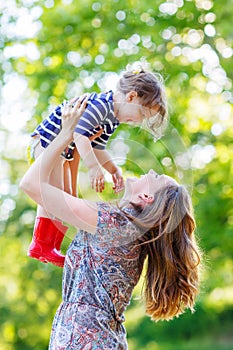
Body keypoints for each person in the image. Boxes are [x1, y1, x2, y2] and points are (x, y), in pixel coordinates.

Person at [20, 97, 202, 349]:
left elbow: (30, 185)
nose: (149, 172)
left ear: (146, 198)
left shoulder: (113, 224)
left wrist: (63, 135)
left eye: (156, 176)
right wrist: (74, 146)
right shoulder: (124, 230)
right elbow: (67, 201)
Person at [27, 67, 168, 267]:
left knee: (68, 194)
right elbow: (80, 134)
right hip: (48, 142)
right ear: (131, 97)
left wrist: (112, 169)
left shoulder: (113, 118)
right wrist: (93, 167)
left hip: (62, 149)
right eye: (142, 114)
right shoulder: (103, 106)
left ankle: (51, 246)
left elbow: (97, 145)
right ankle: (41, 245)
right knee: (55, 193)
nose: (139, 122)